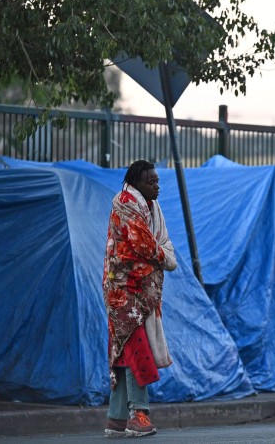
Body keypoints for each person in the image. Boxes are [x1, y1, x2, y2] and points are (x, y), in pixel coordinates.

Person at [102, 160, 177, 437]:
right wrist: (166, 257)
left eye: (157, 181)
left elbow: (160, 244)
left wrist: (162, 253)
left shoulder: (151, 207)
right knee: (137, 349)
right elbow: (145, 245)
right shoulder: (125, 203)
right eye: (151, 181)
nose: (156, 185)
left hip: (139, 290)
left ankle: (116, 419)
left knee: (123, 350)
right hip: (123, 291)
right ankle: (139, 415)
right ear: (136, 182)